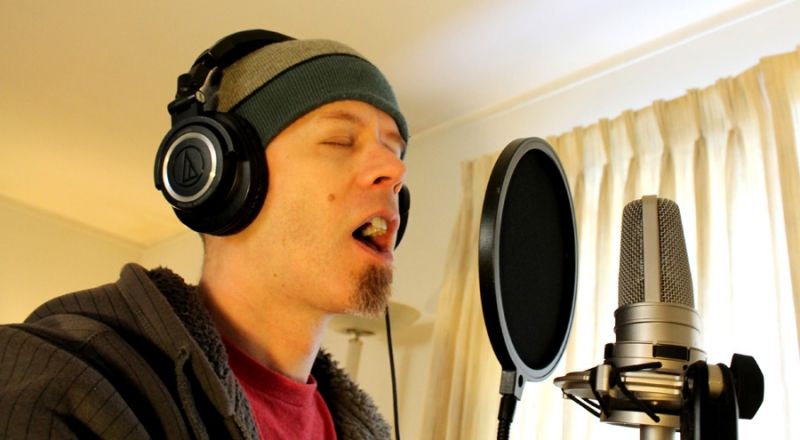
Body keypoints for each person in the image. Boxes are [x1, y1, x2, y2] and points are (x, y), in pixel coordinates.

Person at [0, 29, 409, 439]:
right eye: (340, 140)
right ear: (228, 180)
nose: (395, 172)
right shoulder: (62, 381)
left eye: (394, 151)